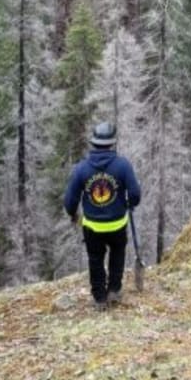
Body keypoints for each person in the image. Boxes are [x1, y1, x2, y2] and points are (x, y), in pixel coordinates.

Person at [64, 120, 142, 309]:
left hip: (92, 226)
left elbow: (70, 200)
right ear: (112, 143)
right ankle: (114, 290)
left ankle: (99, 298)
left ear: (94, 143)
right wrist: (129, 203)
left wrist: (73, 214)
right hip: (117, 223)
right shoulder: (123, 166)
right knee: (117, 254)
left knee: (95, 259)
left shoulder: (81, 168)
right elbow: (135, 194)